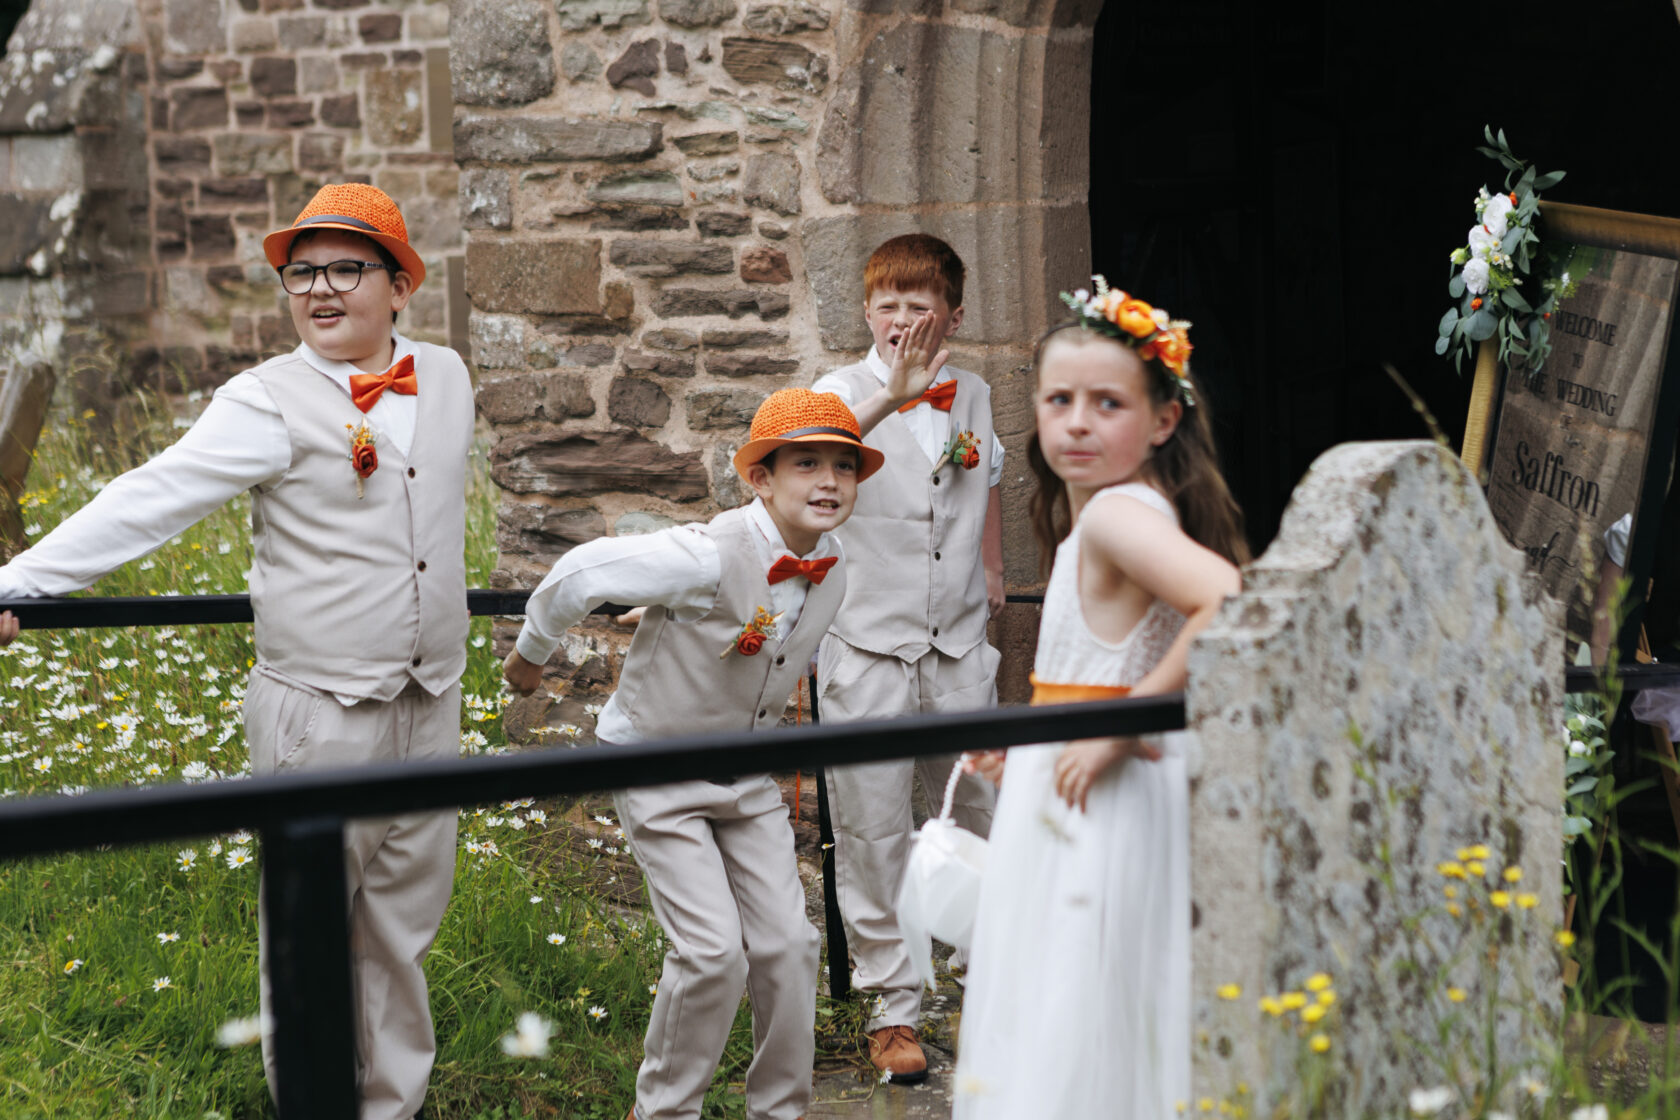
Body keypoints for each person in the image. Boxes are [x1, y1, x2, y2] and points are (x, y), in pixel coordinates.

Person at [0, 183, 472, 1120]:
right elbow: (151, 495)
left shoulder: (446, 373)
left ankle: (393, 1106)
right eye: (302, 273)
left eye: (347, 268)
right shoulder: (264, 401)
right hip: (319, 713)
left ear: (399, 283)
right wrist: (18, 583)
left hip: (432, 701)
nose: (321, 290)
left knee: (401, 930)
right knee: (307, 934)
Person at [503, 388, 884, 1120]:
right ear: (761, 479)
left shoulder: (832, 561)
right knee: (712, 954)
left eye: (845, 465)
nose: (830, 481)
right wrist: (531, 655)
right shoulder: (704, 552)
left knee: (790, 946)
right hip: (658, 765)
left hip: (745, 776)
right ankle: (664, 1111)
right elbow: (580, 573)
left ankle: (780, 1108)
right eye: (807, 464)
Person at [952, 280, 1246, 1118]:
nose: (1077, 421)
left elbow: (1229, 602)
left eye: (1107, 402)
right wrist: (1035, 745)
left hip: (1111, 792)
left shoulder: (1120, 516)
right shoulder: (1108, 514)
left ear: (1162, 420)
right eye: (1060, 400)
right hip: (1072, 770)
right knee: (1075, 996)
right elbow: (1093, 667)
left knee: (1078, 997)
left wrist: (1121, 725)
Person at [808, 233, 1002, 1082]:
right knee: (875, 829)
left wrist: (992, 567)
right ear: (865, 312)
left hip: (958, 645)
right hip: (869, 647)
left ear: (951, 316)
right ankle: (895, 1008)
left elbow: (983, 476)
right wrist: (892, 397)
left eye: (919, 306)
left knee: (976, 815)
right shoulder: (836, 392)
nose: (901, 319)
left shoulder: (978, 394)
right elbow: (817, 460)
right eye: (887, 304)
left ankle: (990, 980)